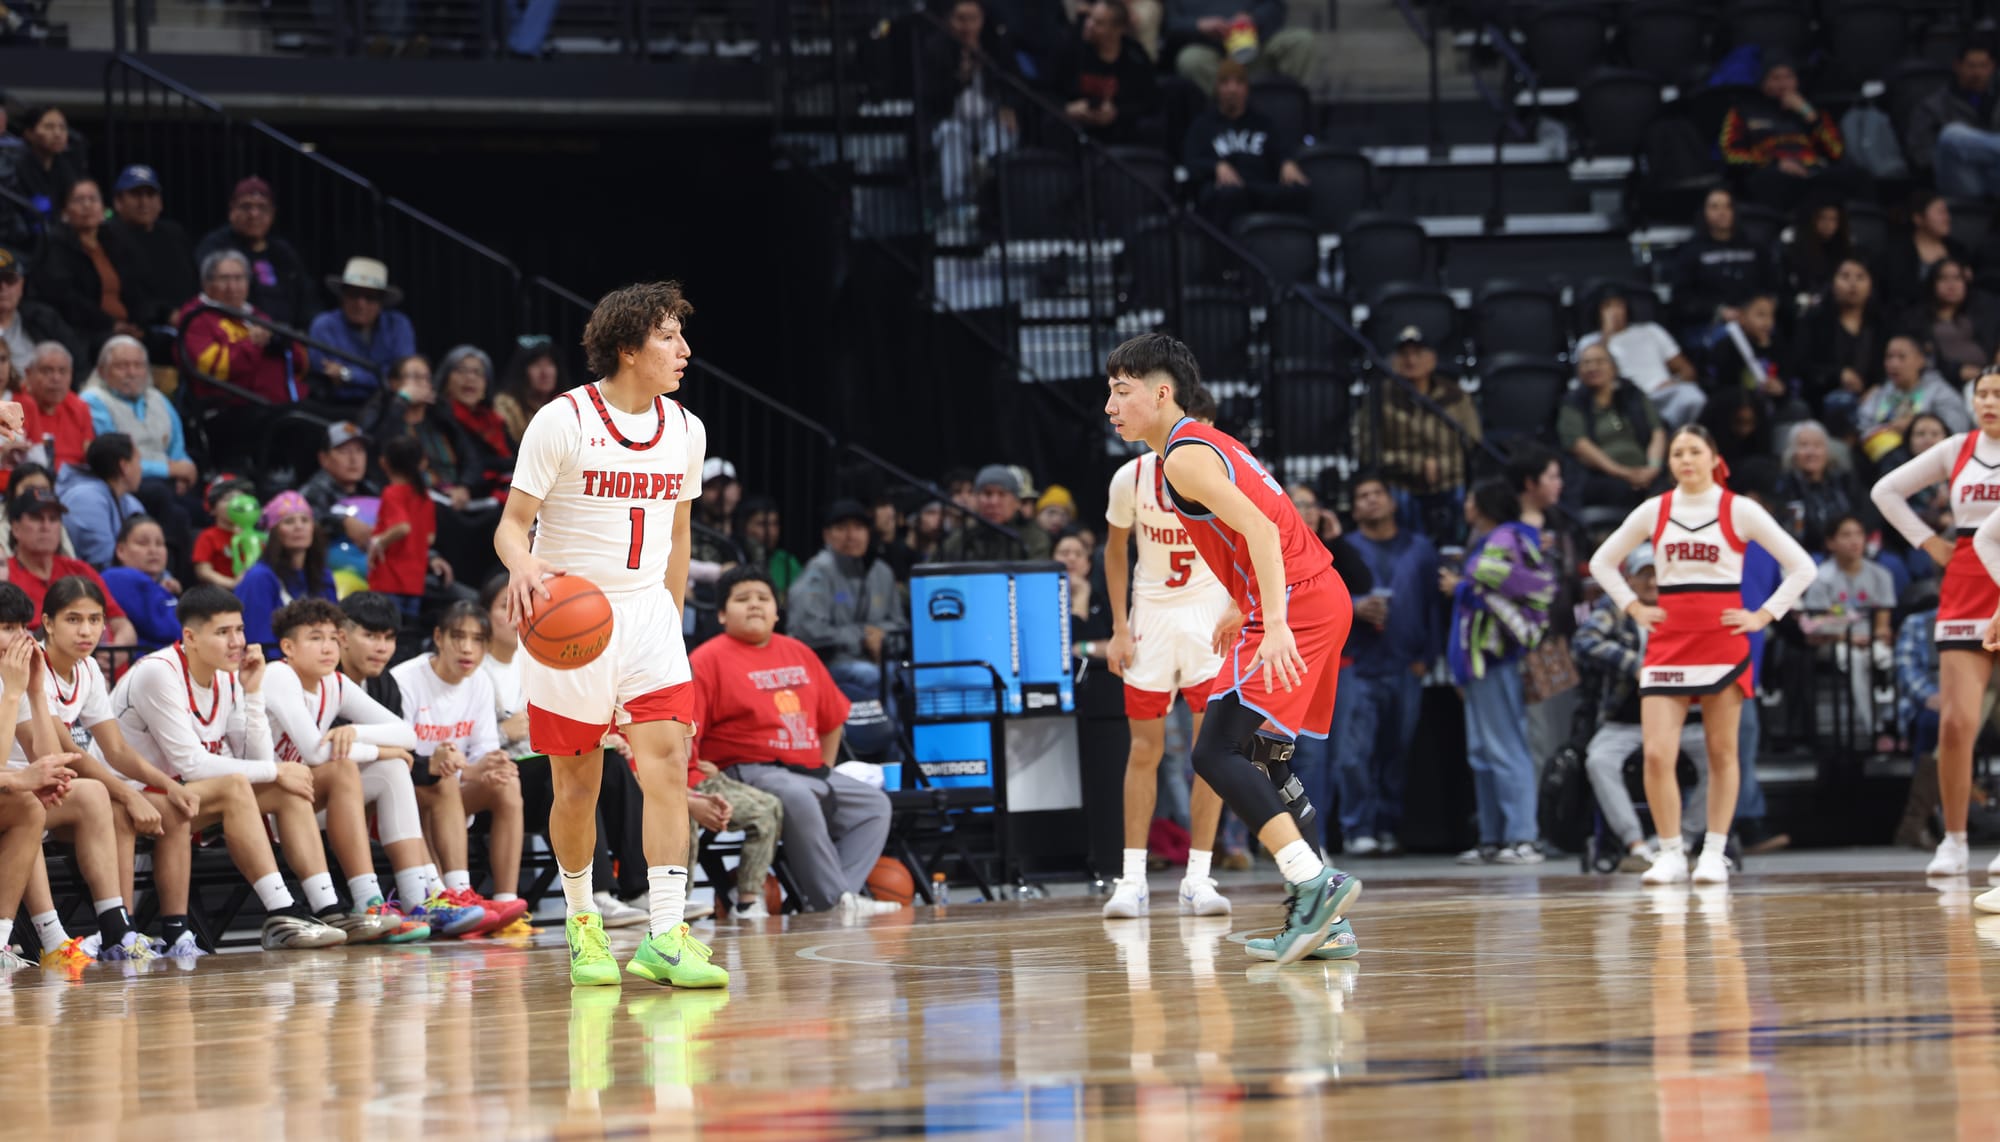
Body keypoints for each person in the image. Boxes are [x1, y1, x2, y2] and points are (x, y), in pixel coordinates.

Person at [495, 280, 728, 988]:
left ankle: (665, 932)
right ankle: (581, 923)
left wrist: (673, 620)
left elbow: (679, 537)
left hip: (649, 617)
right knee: (577, 788)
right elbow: (510, 524)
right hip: (571, 617)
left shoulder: (687, 430)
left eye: (682, 336)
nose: (684, 350)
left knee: (665, 767)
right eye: (667, 337)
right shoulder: (561, 421)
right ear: (628, 348)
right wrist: (525, 565)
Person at [1104, 332, 1360, 964]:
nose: (1109, 406)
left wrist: (1271, 621)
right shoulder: (1205, 442)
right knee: (1264, 757)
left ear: (1161, 393)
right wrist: (1249, 607)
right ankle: (1329, 924)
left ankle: (1313, 882)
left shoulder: (1184, 459)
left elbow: (1266, 531)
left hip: (1296, 606)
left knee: (1216, 751)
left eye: (1120, 391)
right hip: (1317, 597)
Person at [1587, 424, 1817, 886]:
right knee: (1656, 754)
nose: (1685, 460)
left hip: (1722, 638)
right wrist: (1634, 607)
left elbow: (1802, 566)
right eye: (1676, 453)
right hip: (1669, 641)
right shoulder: (1655, 509)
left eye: (1694, 450)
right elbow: (1601, 562)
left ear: (1714, 457)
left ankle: (1713, 851)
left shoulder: (1739, 509)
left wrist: (1762, 616)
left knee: (1721, 753)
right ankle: (1669, 852)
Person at [106, 586, 350, 948]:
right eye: (223, 632)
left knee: (286, 789)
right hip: (129, 796)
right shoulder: (158, 673)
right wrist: (276, 771)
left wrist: (252, 693)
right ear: (190, 637)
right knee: (242, 785)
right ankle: (281, 911)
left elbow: (258, 760)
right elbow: (190, 761)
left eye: (239, 630)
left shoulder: (226, 676)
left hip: (183, 794)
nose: (236, 641)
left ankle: (326, 904)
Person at [689, 565, 894, 917]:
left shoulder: (799, 652)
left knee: (874, 806)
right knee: (797, 796)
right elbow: (687, 727)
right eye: (742, 599)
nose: (754, 605)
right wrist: (695, 775)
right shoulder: (706, 660)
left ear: (776, 611)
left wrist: (825, 769)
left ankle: (836, 897)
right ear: (722, 614)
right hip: (748, 770)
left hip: (807, 768)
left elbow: (833, 720)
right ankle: (833, 899)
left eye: (763, 598)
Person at [1101, 385, 1233, 918]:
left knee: (1211, 757)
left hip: (1207, 616)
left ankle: (1198, 878)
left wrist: (1240, 605)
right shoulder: (1130, 478)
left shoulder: (1222, 471)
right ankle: (1131, 879)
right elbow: (1114, 551)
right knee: (1143, 752)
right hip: (1151, 617)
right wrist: (1117, 626)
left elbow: (1250, 541)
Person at [0, 580, 159, 968]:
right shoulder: (10, 683)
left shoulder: (21, 677)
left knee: (86, 794)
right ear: (52, 624)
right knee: (29, 803)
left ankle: (114, 926)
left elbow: (50, 759)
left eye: (21, 627)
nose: (18, 638)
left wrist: (35, 692)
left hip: (19, 790)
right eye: (6, 628)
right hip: (14, 788)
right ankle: (49, 935)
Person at [1881, 371, 2000, 879]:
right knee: (1955, 724)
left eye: (1998, 395)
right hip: (1969, 578)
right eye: (1983, 394)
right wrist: (1930, 542)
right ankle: (1954, 839)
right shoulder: (1958, 448)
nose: (1989, 402)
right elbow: (1885, 491)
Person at [386, 601, 532, 934]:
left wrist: (492, 766)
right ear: (438, 637)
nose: (467, 648)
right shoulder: (405, 679)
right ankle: (448, 897)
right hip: (413, 789)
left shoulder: (479, 682)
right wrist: (469, 769)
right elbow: (405, 757)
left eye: (478, 640)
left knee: (508, 783)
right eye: (458, 637)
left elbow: (484, 750)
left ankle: (507, 903)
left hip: (452, 785)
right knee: (443, 781)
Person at [1574, 546, 1717, 872]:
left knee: (1720, 757)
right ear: (1630, 579)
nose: (1653, 582)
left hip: (1684, 719)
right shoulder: (1617, 608)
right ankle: (1635, 845)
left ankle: (1682, 840)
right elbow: (1584, 641)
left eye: (1658, 574)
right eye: (1644, 575)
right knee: (1599, 759)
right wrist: (1636, 666)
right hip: (1625, 720)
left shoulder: (1685, 607)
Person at [1442, 480, 1556, 865]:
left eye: (1470, 497)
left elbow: (1527, 585)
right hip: (1479, 664)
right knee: (1483, 752)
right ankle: (1493, 837)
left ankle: (1524, 838)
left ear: (1483, 505)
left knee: (1506, 748)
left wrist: (1462, 586)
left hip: (1496, 659)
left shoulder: (1506, 536)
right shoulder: (1498, 536)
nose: (1466, 504)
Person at [1330, 472, 1437, 857]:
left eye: (1378, 492)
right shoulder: (1343, 548)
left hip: (1406, 665)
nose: (1370, 500)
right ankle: (1358, 827)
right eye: (1362, 495)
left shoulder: (1420, 549)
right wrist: (1355, 608)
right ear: (1354, 508)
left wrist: (1428, 656)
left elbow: (1432, 606)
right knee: (1354, 755)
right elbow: (1327, 598)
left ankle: (1388, 825)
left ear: (1392, 502)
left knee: (1397, 751)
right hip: (1358, 664)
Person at [788, 498, 907, 755]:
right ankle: (891, 752)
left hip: (878, 661)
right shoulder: (819, 571)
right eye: (841, 528)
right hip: (830, 664)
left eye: (858, 528)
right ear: (827, 535)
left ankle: (912, 755)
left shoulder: (881, 572)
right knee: (872, 676)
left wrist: (883, 638)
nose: (851, 536)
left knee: (908, 676)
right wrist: (863, 636)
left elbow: (899, 627)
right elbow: (806, 631)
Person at [1361, 326, 1482, 515]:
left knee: (1463, 499)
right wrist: (1416, 466)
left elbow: (1472, 440)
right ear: (1393, 361)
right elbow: (1368, 449)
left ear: (1432, 359)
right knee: (1397, 501)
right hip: (1400, 481)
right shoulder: (1380, 397)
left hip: (1450, 479)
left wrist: (1440, 467)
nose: (1411, 360)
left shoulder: (1455, 395)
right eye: (1404, 354)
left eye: (1418, 353)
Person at [1801, 514, 1898, 748]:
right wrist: (1850, 638)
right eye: (1846, 535)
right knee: (1855, 660)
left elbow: (1883, 624)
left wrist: (1876, 637)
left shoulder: (1880, 575)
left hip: (1871, 638)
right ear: (1831, 542)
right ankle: (1874, 729)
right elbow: (1817, 625)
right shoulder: (1821, 578)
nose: (1854, 541)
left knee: (1892, 658)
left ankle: (1897, 724)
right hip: (1834, 641)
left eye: (1858, 534)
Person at [38, 179, 161, 358]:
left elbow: (136, 288)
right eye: (78, 200)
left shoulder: (116, 242)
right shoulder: (56, 247)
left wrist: (139, 323)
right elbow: (68, 300)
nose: (87, 206)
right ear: (65, 212)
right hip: (88, 331)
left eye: (93, 199)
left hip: (127, 326)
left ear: (103, 209)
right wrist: (112, 325)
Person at [1719, 57, 1859, 211]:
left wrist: (1809, 114)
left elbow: (1836, 151)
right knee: (1774, 181)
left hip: (1813, 171)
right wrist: (1774, 163)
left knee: (1855, 176)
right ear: (1763, 82)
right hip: (1771, 172)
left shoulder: (1812, 111)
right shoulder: (1743, 111)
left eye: (1788, 77)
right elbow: (1731, 154)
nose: (1783, 84)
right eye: (1776, 78)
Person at [1183, 59, 1308, 227]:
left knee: (1300, 191)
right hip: (1223, 192)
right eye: (1225, 83)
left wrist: (1287, 162)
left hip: (1259, 188)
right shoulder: (1202, 125)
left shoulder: (1263, 123)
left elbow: (1279, 151)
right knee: (1229, 196)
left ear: (1247, 89)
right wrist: (1216, 166)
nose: (1232, 89)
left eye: (1238, 83)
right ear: (1217, 89)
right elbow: (1190, 162)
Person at [178, 249, 310, 409]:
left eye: (239, 278)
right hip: (238, 407)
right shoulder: (197, 316)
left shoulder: (255, 314)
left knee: (340, 422)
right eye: (224, 279)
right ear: (206, 284)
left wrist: (284, 344)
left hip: (287, 401)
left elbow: (300, 363)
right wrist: (252, 344)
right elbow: (212, 369)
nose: (232, 287)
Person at [923, 0, 1021, 212]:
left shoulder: (995, 45)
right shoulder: (936, 48)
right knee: (952, 134)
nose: (967, 26)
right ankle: (958, 204)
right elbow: (932, 98)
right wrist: (961, 79)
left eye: (973, 19)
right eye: (961, 19)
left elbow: (1014, 83)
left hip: (988, 117)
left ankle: (992, 181)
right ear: (950, 19)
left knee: (1003, 131)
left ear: (983, 20)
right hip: (950, 119)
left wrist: (1008, 107)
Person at [6, 487, 137, 646]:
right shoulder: (5, 573)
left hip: (92, 664)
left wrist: (114, 652)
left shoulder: (80, 571)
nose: (46, 526)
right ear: (15, 528)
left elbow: (123, 625)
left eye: (53, 519)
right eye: (36, 518)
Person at [78, 333, 198, 499]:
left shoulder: (158, 398)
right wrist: (168, 470)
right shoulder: (92, 400)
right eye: (122, 366)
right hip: (124, 483)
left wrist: (184, 470)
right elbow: (110, 458)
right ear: (102, 371)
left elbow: (177, 448)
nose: (132, 373)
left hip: (168, 480)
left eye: (138, 365)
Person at [193, 177, 314, 328]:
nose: (254, 214)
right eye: (246, 207)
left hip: (286, 336)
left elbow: (307, 299)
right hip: (236, 330)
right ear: (232, 209)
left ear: (273, 213)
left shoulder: (283, 252)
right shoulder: (216, 247)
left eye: (262, 207)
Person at [1575, 288, 1704, 429]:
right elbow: (1589, 378)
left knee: (1692, 397)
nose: (1614, 312)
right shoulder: (1589, 342)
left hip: (1662, 394)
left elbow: (1687, 370)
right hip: (1625, 400)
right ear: (1597, 312)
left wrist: (1674, 382)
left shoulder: (1651, 331)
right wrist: (1607, 335)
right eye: (1607, 307)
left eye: (1619, 305)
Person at [1557, 342, 1664, 511]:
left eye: (1599, 361)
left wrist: (1653, 468)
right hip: (1603, 475)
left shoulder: (1633, 394)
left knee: (1670, 485)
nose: (1592, 367)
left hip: (1648, 471)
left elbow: (1657, 431)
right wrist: (1623, 473)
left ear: (1614, 368)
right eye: (1586, 363)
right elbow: (1579, 444)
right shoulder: (1573, 402)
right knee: (1621, 491)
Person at [1667, 188, 1785, 339]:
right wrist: (1719, 311)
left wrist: (1758, 310)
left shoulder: (1755, 247)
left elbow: (1772, 285)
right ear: (1704, 212)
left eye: (1727, 206)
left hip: (1754, 320)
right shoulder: (1691, 251)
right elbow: (1682, 298)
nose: (1722, 212)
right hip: (1711, 323)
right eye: (1715, 207)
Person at [236, 490, 337, 653]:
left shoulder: (324, 576)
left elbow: (335, 630)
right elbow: (257, 643)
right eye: (289, 521)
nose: (299, 526)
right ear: (274, 532)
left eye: (305, 520)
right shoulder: (259, 578)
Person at [306, 257, 416, 403]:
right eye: (354, 295)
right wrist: (381, 378)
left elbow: (401, 377)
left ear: (381, 302)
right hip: (337, 406)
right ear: (342, 296)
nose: (361, 304)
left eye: (370, 298)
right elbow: (326, 375)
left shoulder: (398, 325)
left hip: (389, 406)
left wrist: (349, 374)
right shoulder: (324, 325)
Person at [1054, 0, 1160, 145]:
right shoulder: (1071, 49)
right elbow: (1047, 90)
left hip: (1119, 132)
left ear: (1118, 30)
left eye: (1099, 23)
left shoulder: (1135, 57)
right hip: (1073, 128)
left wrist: (1117, 113)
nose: (1089, 25)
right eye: (1089, 18)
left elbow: (1149, 101)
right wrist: (1067, 108)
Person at [103, 164, 199, 318]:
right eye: (136, 195)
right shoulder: (110, 236)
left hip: (189, 318)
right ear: (118, 202)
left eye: (150, 194)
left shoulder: (174, 233)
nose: (144, 202)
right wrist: (166, 315)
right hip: (143, 324)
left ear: (160, 202)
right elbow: (127, 292)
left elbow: (195, 281)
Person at [1909, 41, 2000, 200]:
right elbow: (1920, 154)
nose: (1977, 73)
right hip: (1961, 179)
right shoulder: (1933, 106)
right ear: (1957, 66)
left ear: (1993, 67)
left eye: (1983, 66)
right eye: (1971, 66)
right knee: (1952, 135)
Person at [1858, 335, 1973, 460]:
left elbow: (1957, 427)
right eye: (1889, 357)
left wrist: (1915, 426)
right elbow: (1863, 427)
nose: (1894, 364)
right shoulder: (1880, 392)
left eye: (1902, 357)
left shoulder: (1940, 391)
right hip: (1883, 457)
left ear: (1920, 360)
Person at [1799, 258, 1885, 424]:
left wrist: (1877, 388)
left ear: (1871, 284)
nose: (1852, 284)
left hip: (1874, 403)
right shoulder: (1815, 322)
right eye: (1845, 277)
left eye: (1860, 277)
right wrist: (1838, 374)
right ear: (1832, 282)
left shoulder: (1881, 324)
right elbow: (1802, 365)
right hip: (1822, 402)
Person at [1168, 0, 1316, 94]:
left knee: (1301, 40)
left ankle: (1287, 107)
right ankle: (1227, 114)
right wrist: (1198, 26)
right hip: (1212, 55)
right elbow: (1170, 25)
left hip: (1257, 47)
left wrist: (1253, 19)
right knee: (1190, 59)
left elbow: (1276, 6)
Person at [1903, 259, 1999, 390]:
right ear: (1932, 283)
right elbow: (1924, 358)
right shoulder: (1918, 320)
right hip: (1942, 383)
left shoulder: (1981, 313)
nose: (1951, 285)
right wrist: (1956, 371)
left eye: (1957, 278)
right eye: (1943, 278)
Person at [54, 431, 144, 567]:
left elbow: (147, 549)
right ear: (124, 466)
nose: (141, 469)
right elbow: (102, 563)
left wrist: (164, 578)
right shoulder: (85, 499)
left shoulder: (129, 501)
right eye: (138, 461)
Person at [1775, 419, 1866, 553]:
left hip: (1851, 550)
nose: (1811, 452)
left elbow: (1863, 515)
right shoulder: (1785, 485)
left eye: (1818, 446)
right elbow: (1791, 531)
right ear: (1793, 453)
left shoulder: (1844, 480)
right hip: (1809, 552)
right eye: (1803, 445)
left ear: (1827, 451)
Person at [369, 435, 435, 619]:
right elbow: (430, 538)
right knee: (407, 634)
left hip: (389, 579)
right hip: (415, 582)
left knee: (386, 629)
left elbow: (402, 527)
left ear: (385, 463)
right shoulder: (425, 496)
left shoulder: (392, 493)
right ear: (422, 462)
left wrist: (379, 543)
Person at [936, 464, 1053, 561]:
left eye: (1002, 494)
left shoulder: (1033, 538)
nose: (993, 502)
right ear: (976, 499)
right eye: (987, 494)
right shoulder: (962, 538)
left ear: (1017, 502)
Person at [102, 515, 180, 652]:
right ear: (120, 550)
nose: (153, 550)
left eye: (160, 543)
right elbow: (168, 628)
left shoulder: (160, 585)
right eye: (142, 543)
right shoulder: (117, 577)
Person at [300, 420, 381, 550]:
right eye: (344, 451)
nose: (354, 459)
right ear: (323, 459)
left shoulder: (371, 490)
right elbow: (305, 519)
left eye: (359, 451)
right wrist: (342, 522)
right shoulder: (312, 492)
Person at [1884, 193, 1973, 312]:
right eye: (1940, 212)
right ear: (1918, 218)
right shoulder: (1897, 252)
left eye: (1947, 212)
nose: (1947, 218)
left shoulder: (1958, 250)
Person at [0, 246, 84, 370]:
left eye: (10, 280)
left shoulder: (43, 319)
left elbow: (79, 361)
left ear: (21, 285)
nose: (3, 288)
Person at [17, 341, 95, 471]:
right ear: (28, 373)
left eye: (63, 371)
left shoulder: (80, 407)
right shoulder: (14, 405)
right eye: (47, 371)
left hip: (76, 481)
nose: (56, 378)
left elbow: (90, 456)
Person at [495, 336, 572, 445]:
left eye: (549, 364)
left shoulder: (568, 404)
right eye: (536, 365)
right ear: (521, 372)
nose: (545, 372)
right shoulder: (507, 405)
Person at [13, 106, 80, 214]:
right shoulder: (17, 167)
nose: (58, 134)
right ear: (29, 133)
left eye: (62, 127)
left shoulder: (67, 167)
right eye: (49, 127)